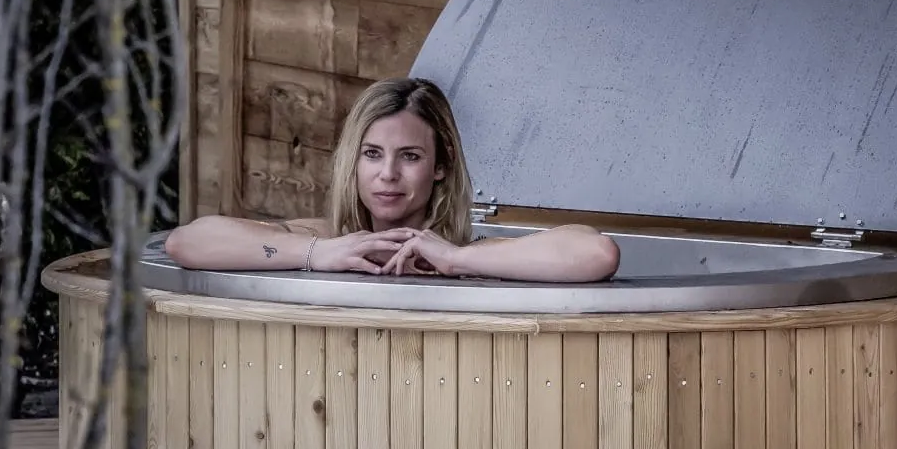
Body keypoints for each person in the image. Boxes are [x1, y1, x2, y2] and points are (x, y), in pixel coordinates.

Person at [161, 76, 621, 283]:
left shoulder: (465, 251)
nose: (388, 174)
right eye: (372, 154)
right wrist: (318, 254)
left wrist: (458, 259)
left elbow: (596, 253)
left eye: (410, 157)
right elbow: (186, 243)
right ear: (353, 161)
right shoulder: (324, 237)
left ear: (441, 166)